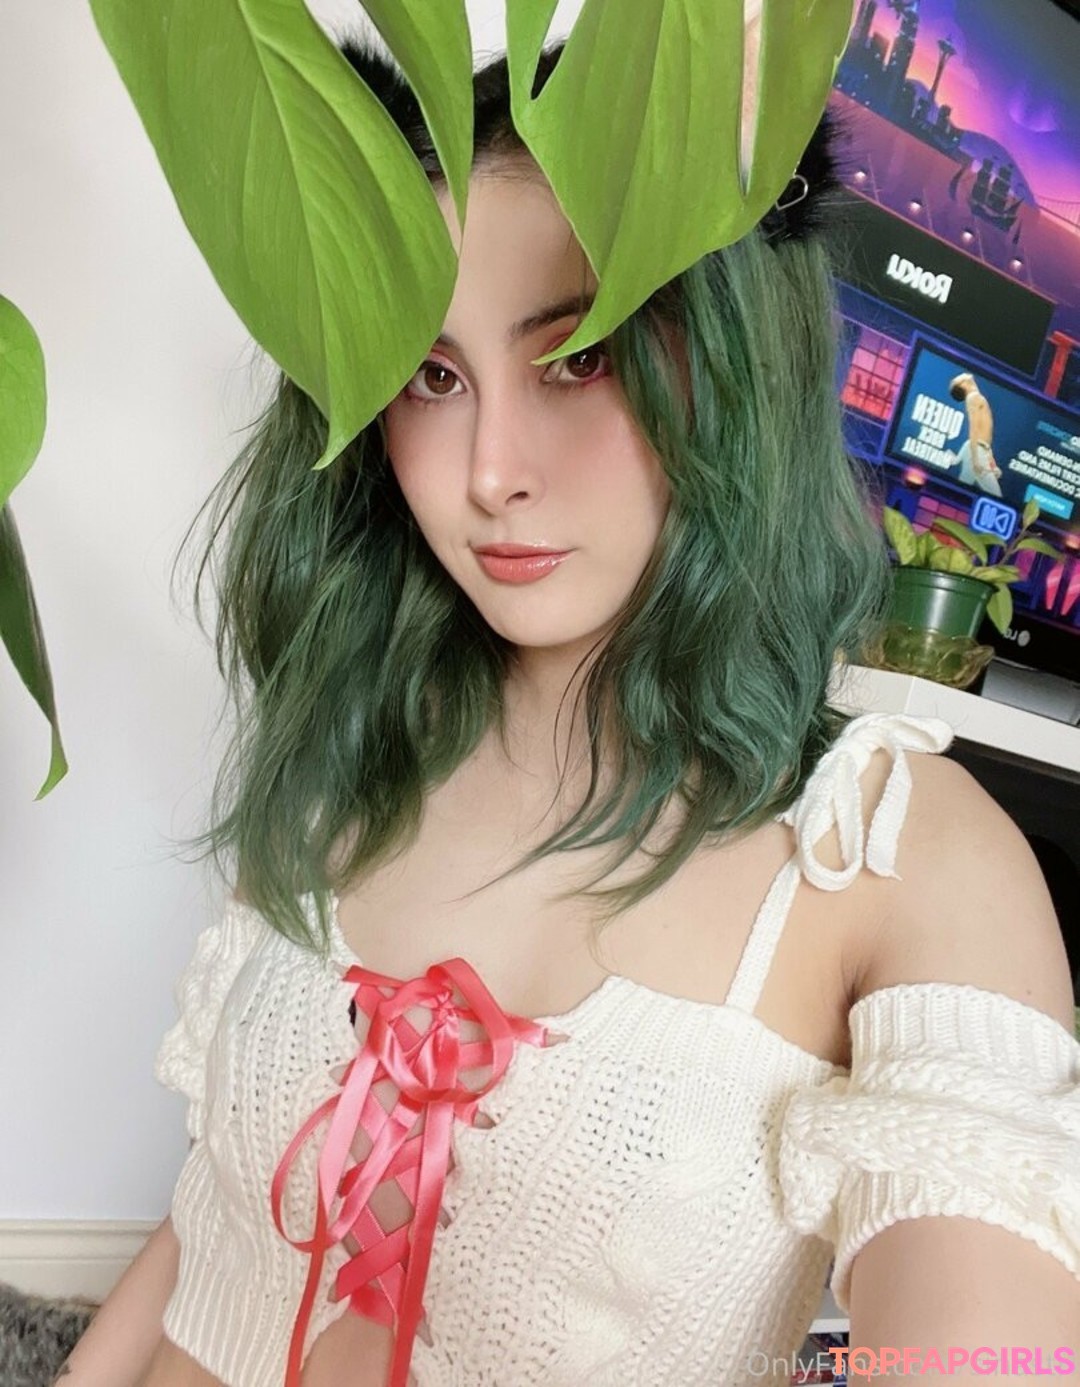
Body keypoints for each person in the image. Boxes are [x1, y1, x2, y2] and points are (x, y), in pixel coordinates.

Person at [61, 26, 1080, 1387]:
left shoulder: (895, 858)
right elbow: (214, 1225)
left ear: (741, 361)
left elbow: (991, 1326)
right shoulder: (354, 744)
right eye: (431, 377)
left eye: (580, 357)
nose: (489, 471)